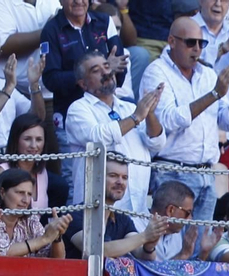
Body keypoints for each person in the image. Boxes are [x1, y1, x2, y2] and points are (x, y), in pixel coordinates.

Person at [140, 18, 229, 223]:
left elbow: (226, 120)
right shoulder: (156, 72)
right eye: (190, 43)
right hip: (173, 172)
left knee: (198, 247)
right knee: (169, 243)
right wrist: (213, 94)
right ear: (172, 41)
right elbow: (168, 119)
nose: (197, 49)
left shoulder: (207, 73)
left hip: (207, 172)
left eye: (201, 43)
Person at [64, 53, 164, 220]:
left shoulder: (129, 107)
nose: (106, 72)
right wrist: (136, 117)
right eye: (96, 70)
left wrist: (150, 114)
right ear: (83, 83)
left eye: (107, 66)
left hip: (137, 210)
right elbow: (97, 137)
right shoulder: (78, 109)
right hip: (96, 213)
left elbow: (156, 143)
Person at [39, 0, 125, 116]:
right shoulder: (51, 30)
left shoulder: (105, 22)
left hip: (107, 107)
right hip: (70, 111)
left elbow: (120, 72)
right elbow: (51, 80)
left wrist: (100, 72)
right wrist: (95, 72)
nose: (78, 1)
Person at [65, 157, 152, 259]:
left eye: (124, 177)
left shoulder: (122, 219)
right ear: (96, 178)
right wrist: (145, 236)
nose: (120, 182)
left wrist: (150, 245)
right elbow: (96, 251)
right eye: (113, 176)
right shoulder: (74, 214)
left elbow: (143, 255)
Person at [0, 168, 70, 258]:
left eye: (29, 194)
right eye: (20, 193)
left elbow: (56, 259)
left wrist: (56, 237)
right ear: (2, 192)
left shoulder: (31, 220)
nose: (26, 200)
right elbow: (1, 253)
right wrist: (44, 239)